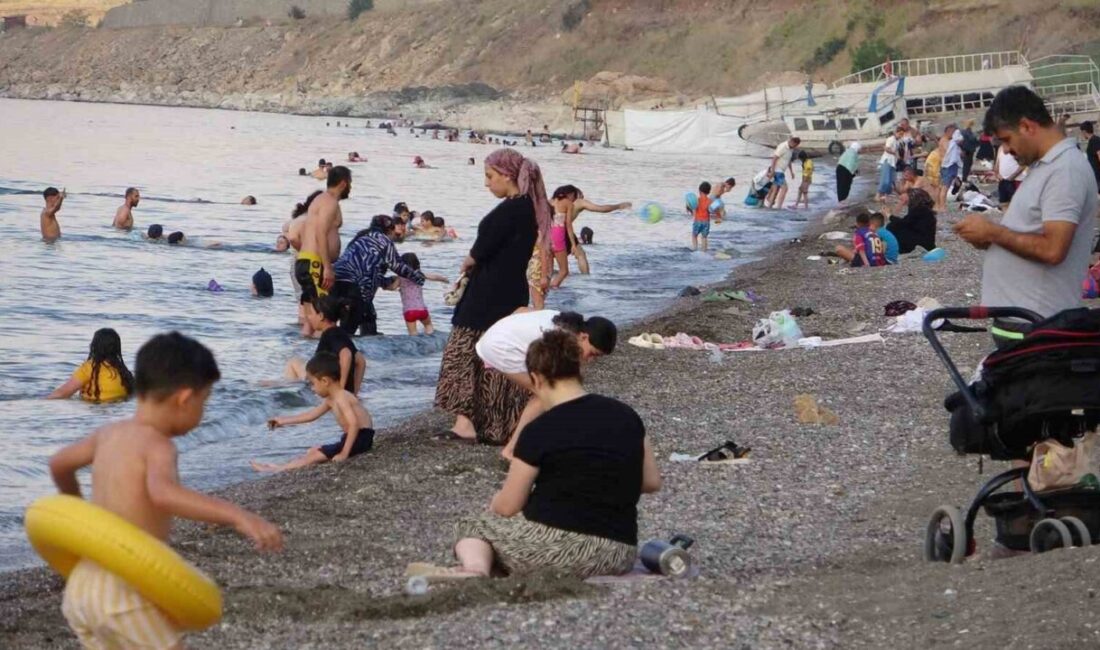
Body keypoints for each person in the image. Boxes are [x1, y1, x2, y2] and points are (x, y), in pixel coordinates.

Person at [50, 332, 283, 648]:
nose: (203, 411)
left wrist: (81, 516)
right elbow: (163, 494)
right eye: (204, 402)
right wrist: (237, 515)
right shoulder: (159, 445)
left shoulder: (108, 433)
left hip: (82, 585)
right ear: (184, 399)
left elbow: (59, 465)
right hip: (123, 590)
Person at [412, 329, 659, 580]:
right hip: (618, 553)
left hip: (559, 550)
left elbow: (508, 507)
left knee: (473, 524)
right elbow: (651, 482)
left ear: (536, 378)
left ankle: (476, 569)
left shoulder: (539, 429)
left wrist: (496, 503)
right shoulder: (627, 415)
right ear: (578, 370)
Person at [955, 85, 1099, 338]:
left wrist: (994, 233)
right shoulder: (1046, 166)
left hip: (1037, 323)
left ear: (1026, 126)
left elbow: (1053, 249)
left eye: (1006, 139)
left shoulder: (1065, 170)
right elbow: (1031, 233)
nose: (1006, 150)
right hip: (1025, 320)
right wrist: (990, 239)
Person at [435, 148, 549, 444]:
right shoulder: (528, 208)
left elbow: (482, 250)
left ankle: (465, 423)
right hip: (510, 290)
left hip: (487, 292)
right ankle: (498, 424)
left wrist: (467, 262)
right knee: (499, 355)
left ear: (507, 175)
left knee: (464, 352)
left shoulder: (511, 210)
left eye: (490, 176)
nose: (487, 183)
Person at [475, 310, 617, 460]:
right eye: (593, 354)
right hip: (500, 347)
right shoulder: (559, 338)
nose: (591, 360)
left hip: (498, 336)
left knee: (550, 391)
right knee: (545, 393)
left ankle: (542, 441)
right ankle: (511, 450)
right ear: (584, 337)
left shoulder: (568, 322)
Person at [254, 353, 374, 473]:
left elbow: (354, 424)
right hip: (357, 438)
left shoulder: (341, 397)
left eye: (313, 383)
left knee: (315, 455)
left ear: (325, 381)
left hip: (361, 438)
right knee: (313, 450)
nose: (312, 388)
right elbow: (311, 415)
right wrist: (282, 421)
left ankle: (277, 469)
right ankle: (283, 465)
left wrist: (344, 453)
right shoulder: (332, 399)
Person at [332, 215, 425, 336]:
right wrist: (418, 278)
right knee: (349, 330)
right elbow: (397, 266)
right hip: (356, 286)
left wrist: (385, 281)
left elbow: (369, 269)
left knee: (364, 318)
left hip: (335, 280)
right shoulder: (384, 241)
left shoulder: (361, 237)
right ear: (390, 231)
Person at [283, 295, 366, 394]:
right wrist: (354, 392)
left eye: (311, 313)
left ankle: (294, 393)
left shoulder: (330, 335)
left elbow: (346, 355)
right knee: (296, 364)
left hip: (323, 384)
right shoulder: (340, 333)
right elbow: (361, 361)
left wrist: (340, 391)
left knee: (292, 363)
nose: (309, 317)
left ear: (321, 316)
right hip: (326, 381)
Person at [295, 166, 348, 315]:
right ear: (343, 184)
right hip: (315, 264)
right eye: (350, 184)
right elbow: (320, 233)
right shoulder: (329, 202)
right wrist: (327, 267)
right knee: (323, 316)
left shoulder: (322, 200)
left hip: (307, 261)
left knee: (311, 317)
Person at [548, 185, 631, 274]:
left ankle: (550, 275)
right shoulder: (579, 202)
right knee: (580, 255)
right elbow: (601, 208)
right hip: (564, 232)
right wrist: (618, 206)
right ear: (573, 194)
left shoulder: (551, 201)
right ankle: (585, 277)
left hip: (548, 232)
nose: (583, 197)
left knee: (549, 256)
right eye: (581, 194)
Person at [47, 328, 134, 403]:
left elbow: (62, 393)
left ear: (94, 346)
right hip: (117, 409)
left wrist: (42, 402)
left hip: (95, 410)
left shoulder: (90, 368)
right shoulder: (124, 372)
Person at [390, 252, 449, 335]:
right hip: (422, 310)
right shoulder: (419, 275)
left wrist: (383, 285)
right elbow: (434, 277)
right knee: (428, 326)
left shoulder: (400, 278)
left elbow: (393, 287)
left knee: (413, 334)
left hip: (409, 311)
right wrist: (444, 279)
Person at [887, 188, 938, 254]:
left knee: (892, 226)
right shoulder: (923, 209)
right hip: (926, 241)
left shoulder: (919, 209)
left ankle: (897, 248)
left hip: (921, 243)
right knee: (894, 225)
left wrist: (889, 216)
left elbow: (903, 223)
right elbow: (907, 223)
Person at [765, 137, 800, 208]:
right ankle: (779, 207)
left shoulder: (791, 148)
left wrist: (791, 172)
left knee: (776, 189)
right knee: (785, 188)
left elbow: (788, 160)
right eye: (795, 145)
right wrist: (772, 171)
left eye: (796, 146)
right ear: (792, 142)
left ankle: (769, 206)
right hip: (777, 170)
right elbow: (774, 158)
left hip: (781, 170)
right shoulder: (783, 147)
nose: (796, 147)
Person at [939, 124, 963, 210]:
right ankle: (942, 206)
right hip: (947, 166)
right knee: (945, 187)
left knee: (948, 185)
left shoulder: (949, 141)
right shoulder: (944, 140)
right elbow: (949, 151)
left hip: (951, 166)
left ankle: (942, 204)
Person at [994, 140, 1025, 208]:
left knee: (1016, 203)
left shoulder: (1017, 147)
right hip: (1002, 180)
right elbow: (997, 164)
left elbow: (1023, 165)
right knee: (1003, 203)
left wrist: (1012, 177)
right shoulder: (1000, 148)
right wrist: (997, 174)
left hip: (1016, 180)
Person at [877, 127, 904, 200]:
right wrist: (894, 153)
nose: (901, 136)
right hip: (888, 161)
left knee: (891, 180)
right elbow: (886, 148)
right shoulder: (891, 139)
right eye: (900, 134)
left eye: (902, 134)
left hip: (893, 162)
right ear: (896, 132)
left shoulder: (898, 141)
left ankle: (885, 196)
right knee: (885, 179)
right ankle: (878, 195)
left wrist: (898, 156)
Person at [689, 181, 712, 252]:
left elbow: (693, 210)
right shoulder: (710, 201)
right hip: (706, 221)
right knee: (704, 237)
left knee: (694, 235)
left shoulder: (697, 200)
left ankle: (695, 248)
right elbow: (711, 210)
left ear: (699, 191)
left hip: (698, 221)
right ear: (709, 192)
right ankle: (704, 251)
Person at [924, 133, 945, 210]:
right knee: (936, 189)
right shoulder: (941, 151)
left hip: (930, 168)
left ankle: (936, 205)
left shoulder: (936, 150)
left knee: (934, 189)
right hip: (934, 170)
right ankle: (936, 205)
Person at [1080, 121, 1100, 193]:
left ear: (1084, 131)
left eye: (1081, 132)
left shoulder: (1095, 140)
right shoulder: (1093, 140)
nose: (1081, 134)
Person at [959, 119, 979, 183]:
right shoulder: (967, 132)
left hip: (967, 150)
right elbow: (973, 139)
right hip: (968, 150)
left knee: (967, 164)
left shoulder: (962, 132)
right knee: (967, 164)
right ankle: (964, 178)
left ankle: (964, 177)